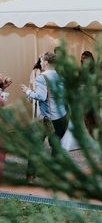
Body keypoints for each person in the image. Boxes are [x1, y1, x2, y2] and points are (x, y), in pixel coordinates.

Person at [21, 52, 68, 182]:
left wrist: (28, 91)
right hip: (61, 116)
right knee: (57, 147)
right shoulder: (60, 76)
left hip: (48, 118)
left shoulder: (42, 77)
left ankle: (31, 176)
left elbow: (41, 97)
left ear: (46, 62)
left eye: (42, 61)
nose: (41, 63)